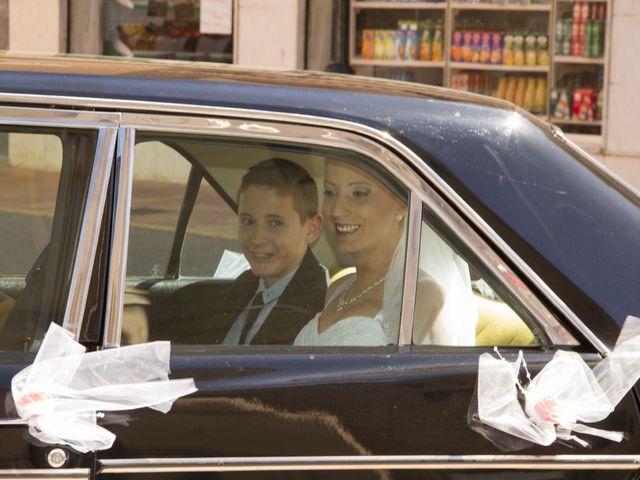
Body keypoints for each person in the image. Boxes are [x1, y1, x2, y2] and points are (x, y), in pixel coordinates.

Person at [294, 160, 446, 346]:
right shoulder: (337, 289)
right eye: (330, 192)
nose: (336, 210)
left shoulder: (421, 297)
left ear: (401, 203)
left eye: (359, 193)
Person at [215, 158, 327, 345]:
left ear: (311, 229)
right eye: (248, 221)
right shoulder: (242, 286)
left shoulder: (318, 310)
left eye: (275, 223)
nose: (257, 239)